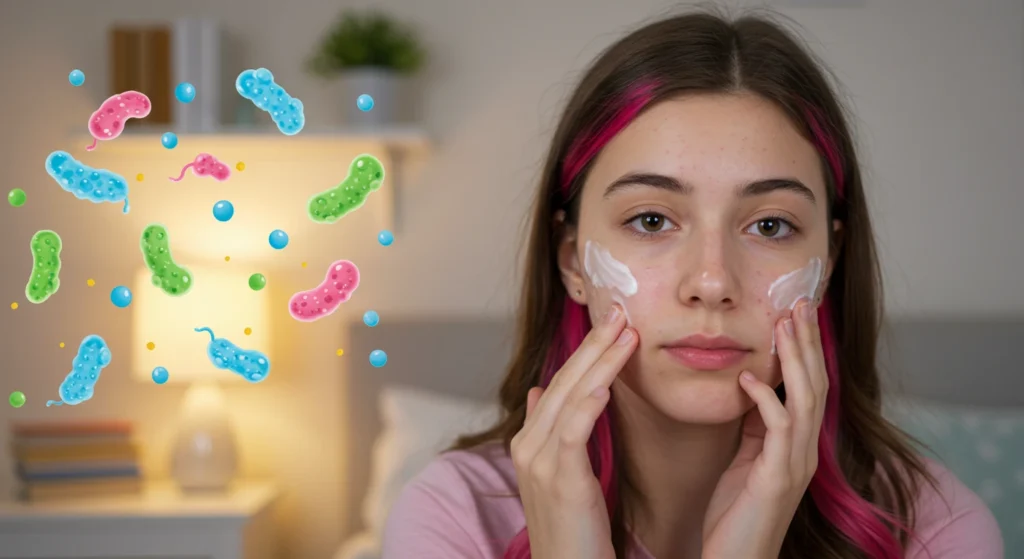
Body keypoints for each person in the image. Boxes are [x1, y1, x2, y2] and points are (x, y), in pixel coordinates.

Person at [380, 8, 1004, 559]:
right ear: (571, 259)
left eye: (770, 225)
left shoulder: (934, 531)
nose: (711, 282)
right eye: (651, 220)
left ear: (831, 261)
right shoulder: (455, 519)